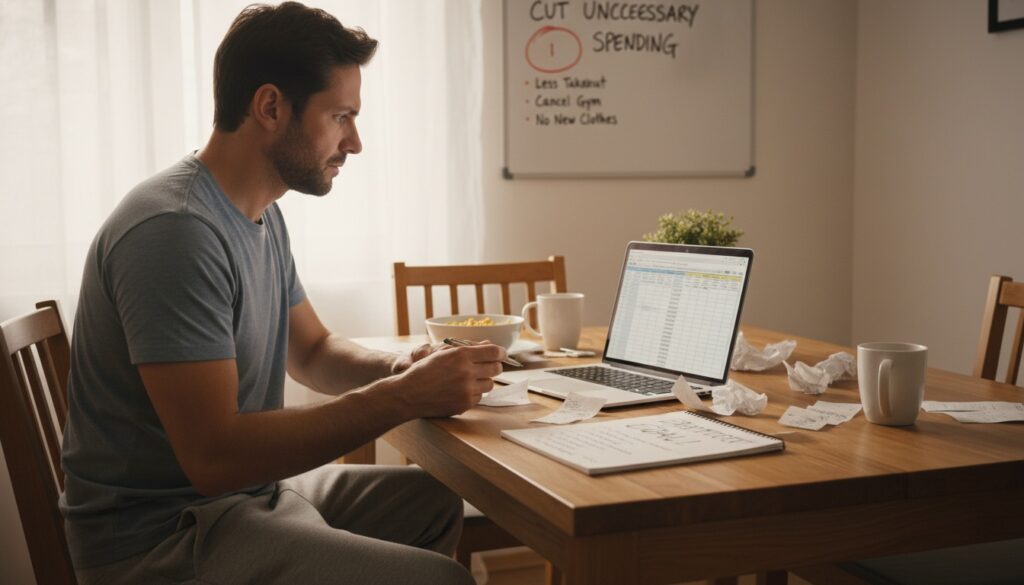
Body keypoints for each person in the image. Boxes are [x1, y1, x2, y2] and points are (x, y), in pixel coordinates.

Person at [59, 3, 500, 584]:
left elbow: (313, 351)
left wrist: (400, 368)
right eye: (341, 116)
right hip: (163, 537)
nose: (357, 142)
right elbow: (216, 457)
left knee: (432, 501)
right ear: (270, 107)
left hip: (234, 502)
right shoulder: (177, 231)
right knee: (442, 579)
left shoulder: (259, 215)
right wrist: (402, 398)